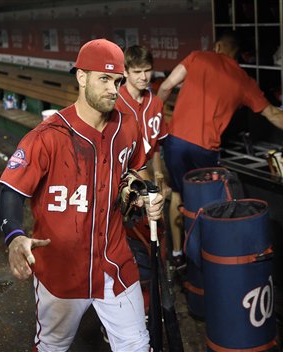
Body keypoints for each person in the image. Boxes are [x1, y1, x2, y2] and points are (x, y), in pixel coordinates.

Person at [0, 38, 164, 352]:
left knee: (137, 346)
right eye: (104, 79)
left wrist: (141, 194)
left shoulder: (126, 129)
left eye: (118, 81)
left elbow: (128, 174)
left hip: (114, 262)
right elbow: (11, 191)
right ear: (81, 77)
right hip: (62, 269)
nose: (114, 89)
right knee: (52, 347)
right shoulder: (47, 136)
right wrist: (14, 236)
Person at [157, 30, 283, 270]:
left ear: (218, 46)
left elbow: (166, 87)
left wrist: (154, 118)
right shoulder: (243, 79)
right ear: (236, 53)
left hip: (175, 141)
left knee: (178, 195)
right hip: (205, 149)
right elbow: (272, 113)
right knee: (206, 205)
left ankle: (177, 256)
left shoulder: (197, 57)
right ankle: (209, 258)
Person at [115, 45, 168, 313]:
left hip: (147, 180)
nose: (144, 77)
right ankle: (124, 311)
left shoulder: (155, 102)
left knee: (152, 244)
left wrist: (160, 177)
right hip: (122, 184)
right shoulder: (115, 102)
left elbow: (156, 146)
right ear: (125, 72)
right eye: (137, 72)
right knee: (126, 248)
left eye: (148, 71)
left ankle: (149, 307)